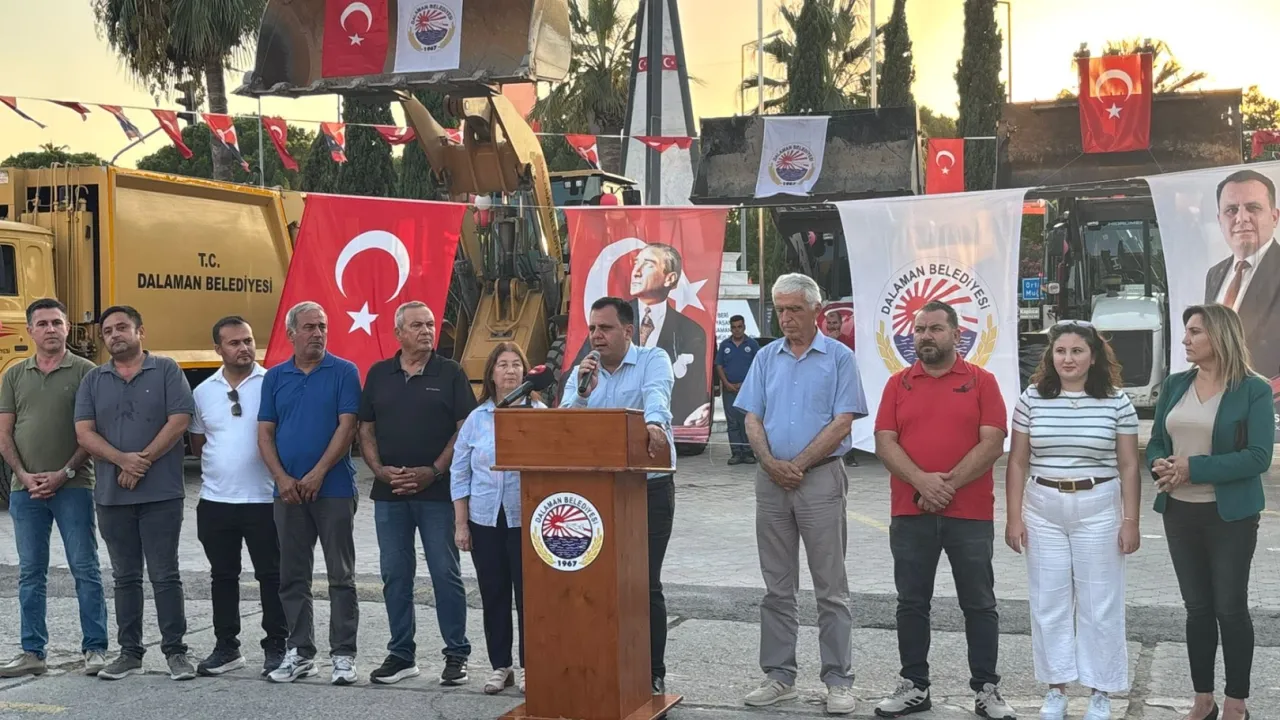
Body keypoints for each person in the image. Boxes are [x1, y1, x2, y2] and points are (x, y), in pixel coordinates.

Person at [872, 300, 1014, 720]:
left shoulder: (982, 382)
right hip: (910, 512)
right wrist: (921, 482)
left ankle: (986, 690)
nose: (926, 336)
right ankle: (914, 686)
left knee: (979, 604)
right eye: (919, 329)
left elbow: (993, 442)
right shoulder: (897, 384)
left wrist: (944, 486)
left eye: (935, 328)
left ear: (956, 334)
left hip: (969, 515)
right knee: (911, 602)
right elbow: (884, 442)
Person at [735, 273, 867, 716]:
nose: (786, 317)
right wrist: (771, 463)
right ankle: (779, 676)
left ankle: (838, 680)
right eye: (780, 310)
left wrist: (800, 465)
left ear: (816, 310)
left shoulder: (840, 358)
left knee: (830, 588)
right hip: (771, 481)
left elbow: (843, 421)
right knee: (776, 587)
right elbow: (752, 417)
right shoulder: (765, 357)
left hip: (820, 481)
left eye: (794, 309)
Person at [1004, 321, 1142, 720]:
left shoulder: (1117, 402)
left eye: (1077, 351)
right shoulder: (1031, 398)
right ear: (1051, 356)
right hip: (1043, 508)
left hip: (1099, 506)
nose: (1068, 359)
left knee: (1100, 603)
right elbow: (1017, 461)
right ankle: (1056, 689)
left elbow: (1129, 465)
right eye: (1060, 351)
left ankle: (1101, 691)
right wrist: (1014, 517)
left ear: (1093, 357)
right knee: (1048, 600)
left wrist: (1130, 520)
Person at [1147, 304, 1275, 720]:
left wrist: (1194, 468)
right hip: (1179, 513)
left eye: (1195, 332)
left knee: (1230, 609)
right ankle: (1203, 699)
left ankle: (1236, 702)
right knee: (1197, 609)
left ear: (1219, 336)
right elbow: (1157, 440)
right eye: (1187, 331)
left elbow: (1258, 457)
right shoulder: (1176, 384)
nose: (1186, 339)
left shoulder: (1253, 389)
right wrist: (1159, 463)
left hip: (1230, 516)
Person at [73, 305, 196, 682]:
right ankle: (130, 653)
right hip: (112, 497)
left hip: (161, 494)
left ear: (140, 331)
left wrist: (141, 461)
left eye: (122, 327)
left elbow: (179, 420)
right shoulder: (93, 380)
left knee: (165, 574)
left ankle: (176, 652)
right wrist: (122, 461)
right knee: (125, 577)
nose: (114, 335)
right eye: (108, 331)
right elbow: (84, 432)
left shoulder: (166, 370)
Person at [562, 296, 675, 694]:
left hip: (647, 488)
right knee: (597, 582)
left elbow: (657, 396)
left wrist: (655, 426)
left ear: (628, 331)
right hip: (595, 491)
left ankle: (651, 671)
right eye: (593, 328)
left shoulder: (652, 359)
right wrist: (582, 393)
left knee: (643, 582)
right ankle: (602, 665)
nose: (596, 335)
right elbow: (563, 427)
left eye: (605, 328)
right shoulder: (584, 371)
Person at [358, 301, 474, 686]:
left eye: (430, 324)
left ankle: (456, 654)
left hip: (437, 493)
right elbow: (365, 428)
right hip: (390, 492)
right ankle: (401, 655)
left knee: (445, 573)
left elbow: (464, 428)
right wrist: (378, 470)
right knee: (395, 574)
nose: (427, 331)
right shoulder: (379, 374)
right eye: (417, 326)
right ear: (398, 333)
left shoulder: (451, 372)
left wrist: (434, 470)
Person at [0, 298, 106, 679]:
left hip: (74, 486)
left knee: (85, 568)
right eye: (42, 323)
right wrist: (23, 475)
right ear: (30, 330)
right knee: (31, 572)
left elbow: (93, 433)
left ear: (67, 328)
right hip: (24, 490)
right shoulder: (14, 375)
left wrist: (64, 472)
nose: (50, 329)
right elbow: (4, 433)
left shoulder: (87, 372)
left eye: (57, 323)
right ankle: (32, 652)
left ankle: (95, 649)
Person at [258, 301, 362, 686]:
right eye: (309, 327)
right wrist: (281, 478)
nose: (317, 333)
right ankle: (300, 652)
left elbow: (347, 427)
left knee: (341, 575)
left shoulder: (344, 372)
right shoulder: (275, 377)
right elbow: (264, 432)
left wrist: (318, 473)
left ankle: (343, 655)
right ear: (291, 333)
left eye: (322, 326)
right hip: (287, 493)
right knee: (292, 575)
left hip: (333, 489)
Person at [189, 316, 287, 677]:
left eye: (248, 340)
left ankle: (277, 645)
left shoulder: (272, 383)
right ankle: (226, 647)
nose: (244, 348)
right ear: (218, 349)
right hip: (216, 501)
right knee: (223, 576)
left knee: (272, 576)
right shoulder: (203, 392)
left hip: (264, 499)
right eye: (234, 343)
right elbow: (198, 444)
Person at [452, 342, 545, 695]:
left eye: (516, 364)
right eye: (502, 364)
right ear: (491, 373)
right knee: (494, 594)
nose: (510, 371)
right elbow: (460, 474)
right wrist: (461, 524)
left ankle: (530, 666)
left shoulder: (539, 413)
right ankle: (500, 666)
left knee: (529, 596)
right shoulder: (477, 419)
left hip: (527, 519)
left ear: (526, 372)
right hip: (485, 519)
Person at [573, 243, 709, 429]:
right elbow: (572, 385)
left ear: (670, 278)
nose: (636, 272)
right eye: (636, 263)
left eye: (648, 265)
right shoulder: (607, 324)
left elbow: (693, 393)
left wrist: (658, 425)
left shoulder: (691, 332)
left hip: (661, 434)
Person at [1204, 169, 1279, 381]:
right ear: (1220, 220)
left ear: (1275, 217)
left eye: (1253, 208)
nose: (1241, 218)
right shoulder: (1214, 275)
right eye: (1231, 210)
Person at [714, 314, 759, 465]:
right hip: (729, 391)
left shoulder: (752, 344)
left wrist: (746, 384)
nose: (737, 330)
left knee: (747, 421)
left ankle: (748, 453)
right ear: (730, 328)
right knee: (732, 423)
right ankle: (736, 453)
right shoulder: (725, 345)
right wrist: (726, 383)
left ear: (744, 327)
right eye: (734, 327)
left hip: (748, 390)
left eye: (739, 327)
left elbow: (758, 366)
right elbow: (719, 365)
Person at [822, 310, 860, 468]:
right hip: (828, 388)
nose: (832, 326)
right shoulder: (821, 342)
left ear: (841, 323)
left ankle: (849, 455)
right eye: (829, 323)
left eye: (835, 323)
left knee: (845, 421)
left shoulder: (848, 342)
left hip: (844, 386)